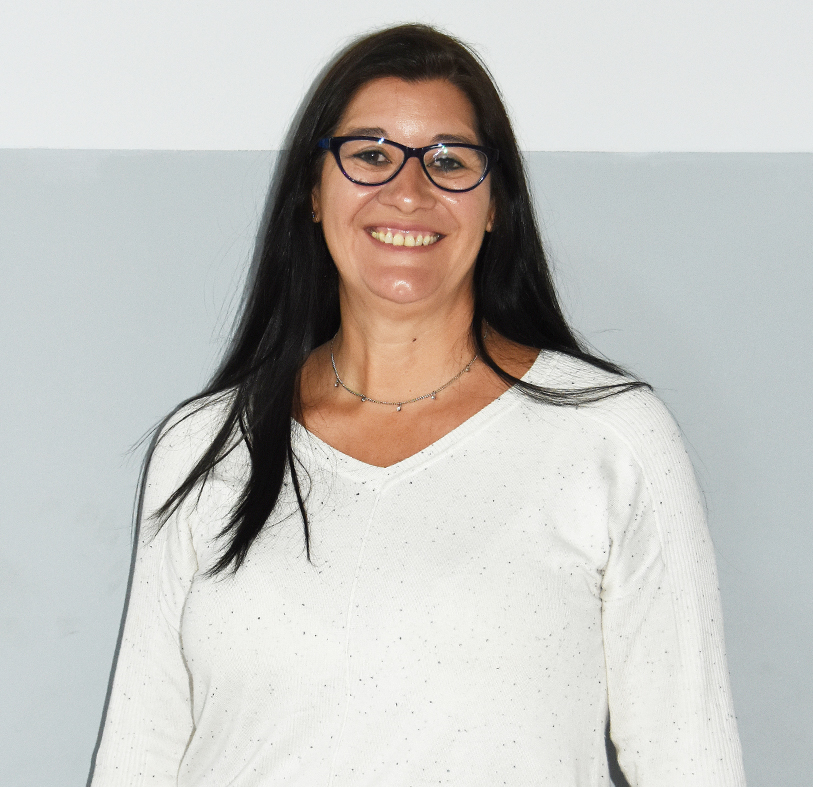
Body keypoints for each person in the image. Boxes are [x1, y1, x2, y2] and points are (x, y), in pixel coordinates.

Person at [89, 24, 746, 787]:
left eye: (448, 160)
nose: (408, 191)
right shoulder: (205, 444)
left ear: (495, 205)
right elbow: (138, 755)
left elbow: (689, 761)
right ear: (312, 192)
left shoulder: (609, 437)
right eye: (370, 155)